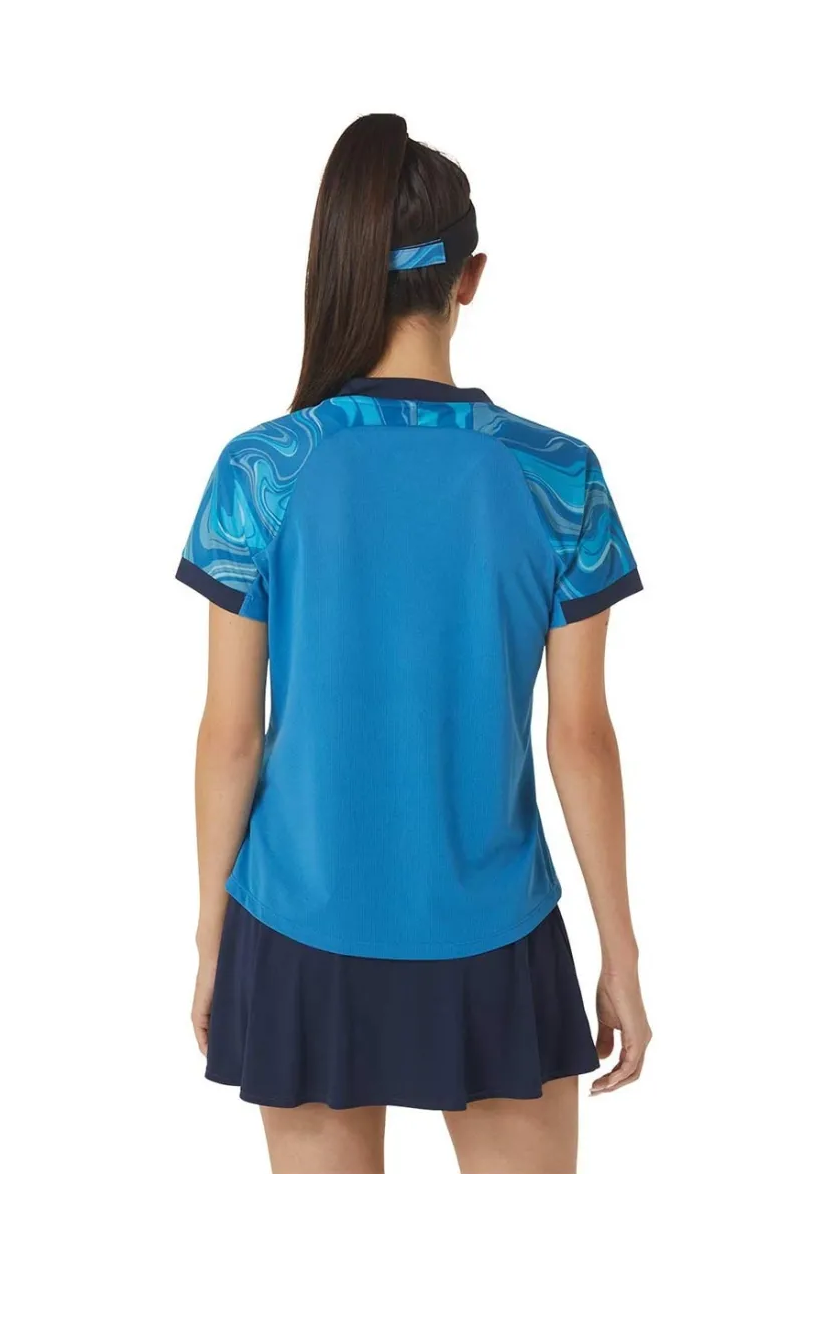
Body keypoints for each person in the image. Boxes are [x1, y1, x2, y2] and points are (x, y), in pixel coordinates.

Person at [176, 113, 651, 1176]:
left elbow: (229, 736)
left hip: (296, 929)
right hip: (494, 930)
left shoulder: (262, 470)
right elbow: (579, 738)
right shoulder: (558, 476)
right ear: (468, 278)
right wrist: (619, 952)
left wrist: (212, 937)